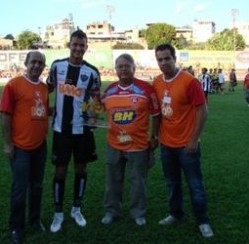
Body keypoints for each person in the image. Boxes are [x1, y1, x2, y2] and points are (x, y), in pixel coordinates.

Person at [152, 43, 214, 238]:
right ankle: (175, 214)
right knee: (172, 183)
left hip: (187, 145)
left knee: (195, 184)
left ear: (174, 58)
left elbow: (203, 111)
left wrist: (194, 140)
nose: (163, 63)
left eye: (167, 58)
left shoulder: (189, 81)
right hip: (166, 144)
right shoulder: (156, 82)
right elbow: (157, 112)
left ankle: (203, 221)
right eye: (160, 59)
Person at [46, 29, 101, 232]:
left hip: (83, 131)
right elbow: (46, 89)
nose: (78, 48)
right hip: (61, 130)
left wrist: (94, 114)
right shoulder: (57, 66)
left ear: (86, 47)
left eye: (82, 45)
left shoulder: (92, 72)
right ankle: (58, 213)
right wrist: (44, 108)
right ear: (69, 45)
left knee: (81, 169)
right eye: (75, 44)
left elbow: (96, 97)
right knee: (60, 170)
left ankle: (76, 209)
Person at [101, 53, 160, 226]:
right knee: (112, 181)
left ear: (134, 68)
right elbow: (96, 108)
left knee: (138, 182)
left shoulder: (146, 89)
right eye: (120, 66)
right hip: (114, 144)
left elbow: (156, 115)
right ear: (116, 70)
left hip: (139, 145)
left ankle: (138, 213)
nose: (124, 69)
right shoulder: (109, 91)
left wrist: (154, 136)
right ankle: (111, 211)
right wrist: (91, 102)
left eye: (127, 65)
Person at [0, 51, 49, 244]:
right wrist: (7, 143)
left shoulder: (45, 88)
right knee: (20, 189)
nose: (37, 65)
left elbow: (42, 110)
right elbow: (6, 115)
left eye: (40, 63)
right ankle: (16, 228)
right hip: (20, 147)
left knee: (36, 186)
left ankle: (35, 220)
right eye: (34, 62)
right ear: (26, 63)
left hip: (40, 146)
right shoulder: (13, 85)